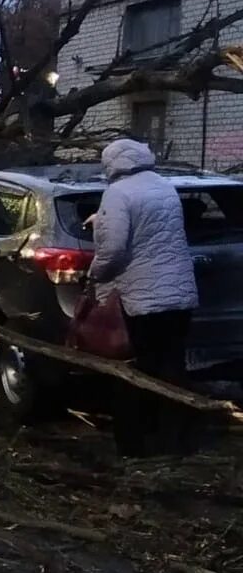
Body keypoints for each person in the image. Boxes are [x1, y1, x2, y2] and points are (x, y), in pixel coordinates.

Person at [90, 137, 200, 456]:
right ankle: (177, 441)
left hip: (142, 298)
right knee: (173, 366)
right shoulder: (164, 186)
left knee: (138, 369)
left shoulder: (117, 192)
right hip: (179, 293)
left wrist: (94, 273)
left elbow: (113, 250)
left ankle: (134, 444)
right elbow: (153, 228)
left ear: (111, 164)